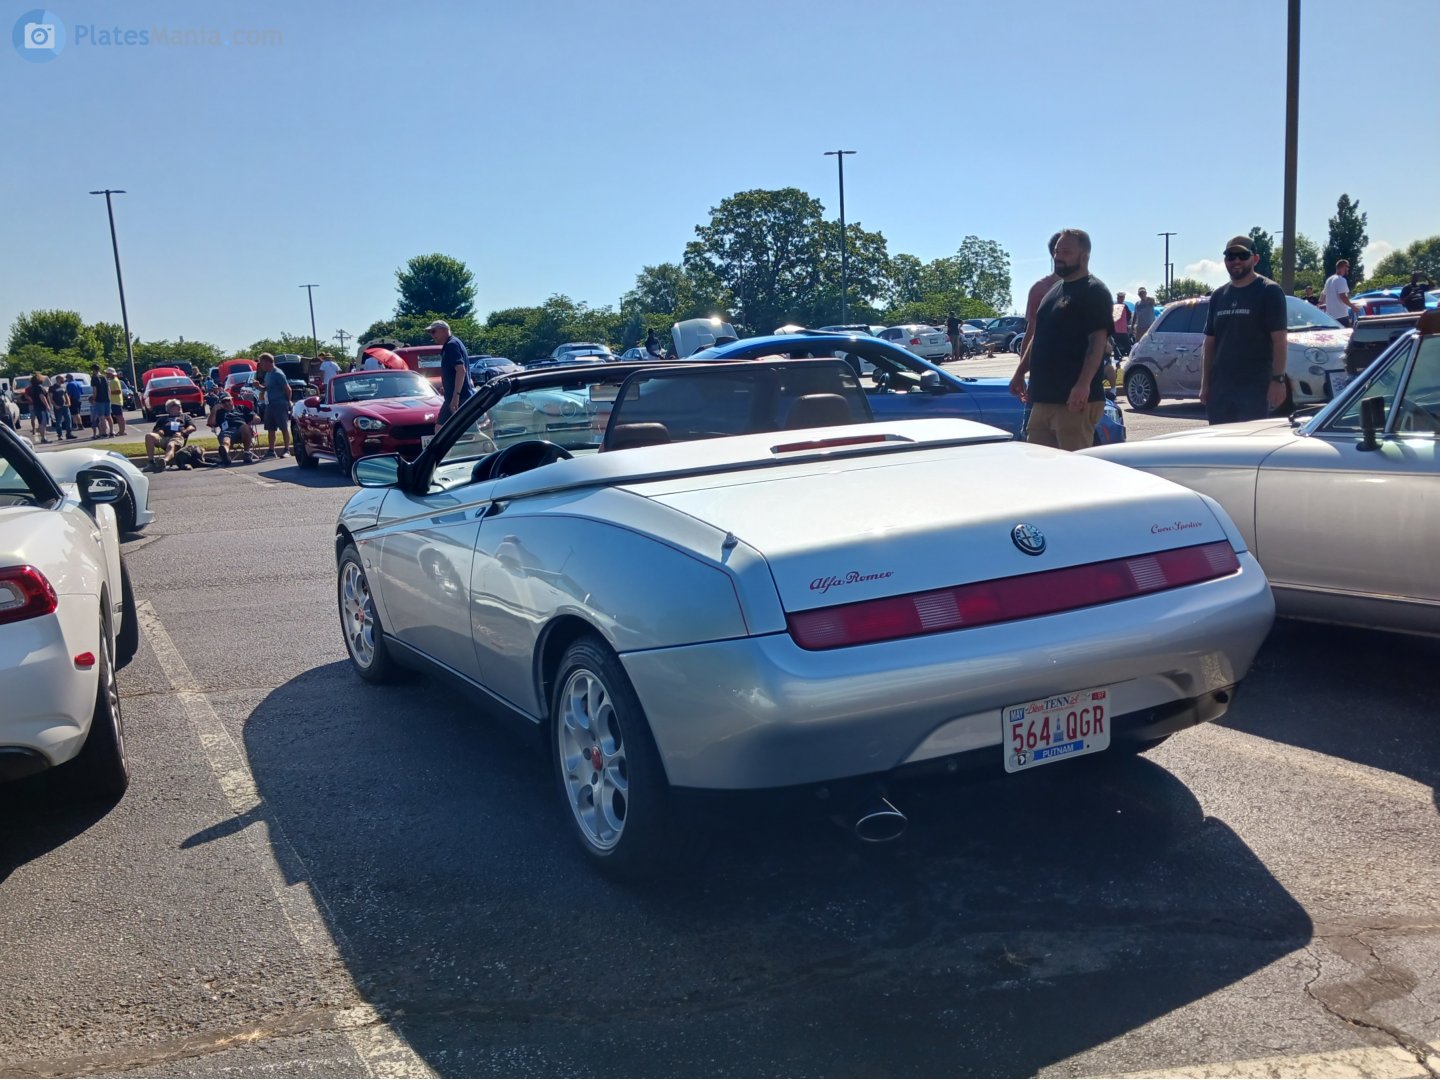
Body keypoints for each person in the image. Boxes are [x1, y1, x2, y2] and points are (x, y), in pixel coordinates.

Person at [1008, 228, 1112, 451]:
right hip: (1043, 398)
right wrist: (1020, 372)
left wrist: (1083, 384)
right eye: (1056, 252)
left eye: (1066, 252)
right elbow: (1038, 337)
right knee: (1039, 465)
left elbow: (1097, 343)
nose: (1058, 257)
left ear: (1084, 256)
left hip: (1074, 401)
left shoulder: (1094, 291)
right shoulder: (1053, 292)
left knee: (1073, 467)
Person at [1200, 235, 1288, 425]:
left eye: (1242, 255)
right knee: (1220, 441)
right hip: (1221, 389)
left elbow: (1280, 340)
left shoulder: (1269, 291)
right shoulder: (1218, 296)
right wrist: (1205, 384)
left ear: (1255, 259)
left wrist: (1278, 380)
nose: (1236, 261)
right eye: (1231, 256)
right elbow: (1209, 344)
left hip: (1254, 388)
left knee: (1251, 440)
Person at [1011, 233, 1064, 439]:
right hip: (1042, 377)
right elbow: (1032, 332)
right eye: (1061, 250)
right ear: (1054, 254)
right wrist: (1021, 373)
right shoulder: (1040, 289)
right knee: (1032, 436)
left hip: (1074, 377)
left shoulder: (1090, 289)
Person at [427, 320, 474, 424]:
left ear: (444, 330)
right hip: (454, 397)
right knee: (446, 428)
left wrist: (456, 396)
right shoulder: (453, 343)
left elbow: (461, 370)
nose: (432, 335)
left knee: (445, 428)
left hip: (459, 398)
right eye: (430, 332)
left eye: (433, 331)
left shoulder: (451, 345)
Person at [255, 353, 292, 457]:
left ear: (268, 362)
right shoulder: (268, 374)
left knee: (283, 427)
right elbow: (266, 389)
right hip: (270, 405)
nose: (261, 366)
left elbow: (288, 389)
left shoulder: (278, 373)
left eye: (262, 363)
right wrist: (258, 386)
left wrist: (288, 402)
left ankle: (287, 450)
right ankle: (271, 451)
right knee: (270, 428)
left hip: (280, 404)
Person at [145, 399, 196, 471]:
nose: (178, 409)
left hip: (177, 437)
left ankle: (164, 461)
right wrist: (160, 431)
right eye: (174, 408)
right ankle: (151, 462)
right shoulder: (163, 419)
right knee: (149, 436)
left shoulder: (185, 417)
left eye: (179, 407)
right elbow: (155, 430)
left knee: (171, 445)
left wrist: (183, 432)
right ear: (169, 410)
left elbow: (192, 427)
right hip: (164, 438)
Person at [208, 392, 256, 465]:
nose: (226, 403)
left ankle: (247, 453)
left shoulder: (241, 408)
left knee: (245, 426)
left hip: (242, 431)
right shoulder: (219, 412)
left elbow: (257, 418)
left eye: (228, 400)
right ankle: (225, 455)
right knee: (225, 441)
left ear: (232, 400)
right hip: (226, 431)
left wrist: (252, 421)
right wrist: (214, 410)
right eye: (223, 402)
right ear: (220, 403)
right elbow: (211, 423)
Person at [1323, 259, 1358, 327]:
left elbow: (1323, 295)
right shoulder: (1341, 279)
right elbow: (1343, 296)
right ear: (1341, 267)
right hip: (1341, 316)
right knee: (1346, 333)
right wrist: (1353, 306)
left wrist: (1319, 304)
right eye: (1347, 266)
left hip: (1330, 317)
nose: (1348, 268)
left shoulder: (1329, 280)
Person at [25, 375, 51, 442]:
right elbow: (42, 397)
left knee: (41, 422)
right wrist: (47, 406)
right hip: (41, 407)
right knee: (43, 422)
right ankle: (43, 438)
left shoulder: (33, 388)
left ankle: (43, 437)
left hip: (36, 406)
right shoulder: (39, 387)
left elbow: (28, 396)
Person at [90, 367, 111, 438]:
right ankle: (111, 431)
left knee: (101, 417)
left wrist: (94, 398)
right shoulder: (104, 377)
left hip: (99, 399)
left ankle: (104, 432)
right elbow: (108, 389)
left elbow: (95, 390)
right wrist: (109, 398)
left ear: (94, 370)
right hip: (107, 399)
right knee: (108, 416)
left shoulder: (94, 378)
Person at [106, 367, 127, 435]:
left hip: (116, 401)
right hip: (114, 401)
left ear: (110, 374)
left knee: (119, 416)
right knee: (117, 416)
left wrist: (109, 392)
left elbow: (118, 391)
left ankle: (122, 431)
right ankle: (121, 430)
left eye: (107, 373)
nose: (106, 374)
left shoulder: (115, 381)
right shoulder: (112, 381)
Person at [1110, 291, 1131, 358]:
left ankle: (1129, 358)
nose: (1122, 298)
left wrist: (1126, 323)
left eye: (1123, 297)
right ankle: (1117, 358)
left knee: (1128, 346)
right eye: (1120, 297)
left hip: (1123, 329)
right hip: (1115, 330)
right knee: (1116, 346)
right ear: (1117, 298)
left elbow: (1129, 316)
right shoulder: (1114, 306)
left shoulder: (1125, 306)